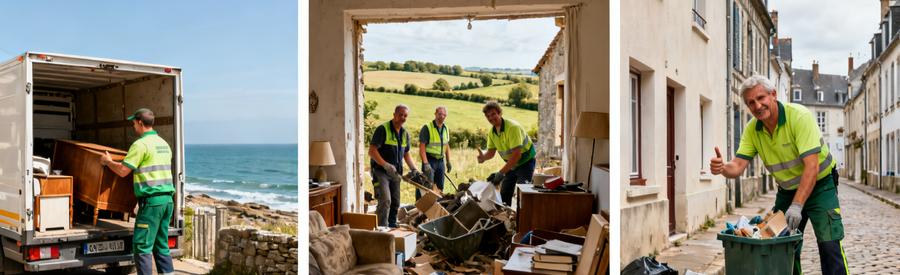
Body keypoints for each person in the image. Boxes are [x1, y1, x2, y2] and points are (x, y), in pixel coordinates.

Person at [710, 76, 848, 275]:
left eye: (761, 98)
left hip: (820, 186)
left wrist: (797, 205)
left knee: (830, 245)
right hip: (787, 191)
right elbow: (738, 165)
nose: (757, 106)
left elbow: (811, 167)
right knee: (781, 247)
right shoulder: (753, 130)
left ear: (773, 95)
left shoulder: (798, 116)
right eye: (751, 102)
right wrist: (722, 168)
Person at [100, 108, 175, 275]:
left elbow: (123, 171)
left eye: (134, 122)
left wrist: (108, 161)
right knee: (161, 244)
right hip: (167, 201)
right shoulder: (164, 144)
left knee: (142, 245)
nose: (133, 126)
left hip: (151, 203)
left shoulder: (140, 145)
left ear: (140, 122)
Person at [477, 101, 536, 206]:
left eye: (493, 114)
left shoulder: (512, 128)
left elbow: (517, 155)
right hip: (512, 164)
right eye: (488, 116)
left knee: (523, 193)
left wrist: (501, 173)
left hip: (525, 163)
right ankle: (506, 217)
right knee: (504, 193)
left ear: (500, 113)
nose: (491, 118)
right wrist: (483, 158)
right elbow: (491, 152)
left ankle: (523, 219)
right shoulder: (492, 132)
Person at [369, 104, 419, 227]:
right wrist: (385, 164)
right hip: (381, 171)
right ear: (394, 115)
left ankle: (391, 226)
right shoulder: (383, 129)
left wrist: (414, 169)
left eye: (405, 115)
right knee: (386, 200)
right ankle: (382, 229)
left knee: (395, 202)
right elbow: (372, 151)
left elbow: (406, 154)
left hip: (396, 173)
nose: (402, 117)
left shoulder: (405, 134)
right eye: (400, 114)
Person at [417, 106, 452, 200]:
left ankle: (437, 207)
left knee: (439, 186)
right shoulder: (427, 128)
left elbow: (446, 145)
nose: (442, 116)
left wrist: (448, 161)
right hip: (430, 160)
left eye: (444, 115)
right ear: (435, 114)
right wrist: (425, 163)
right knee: (426, 185)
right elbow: (422, 146)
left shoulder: (446, 128)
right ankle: (418, 207)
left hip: (440, 161)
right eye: (440, 114)